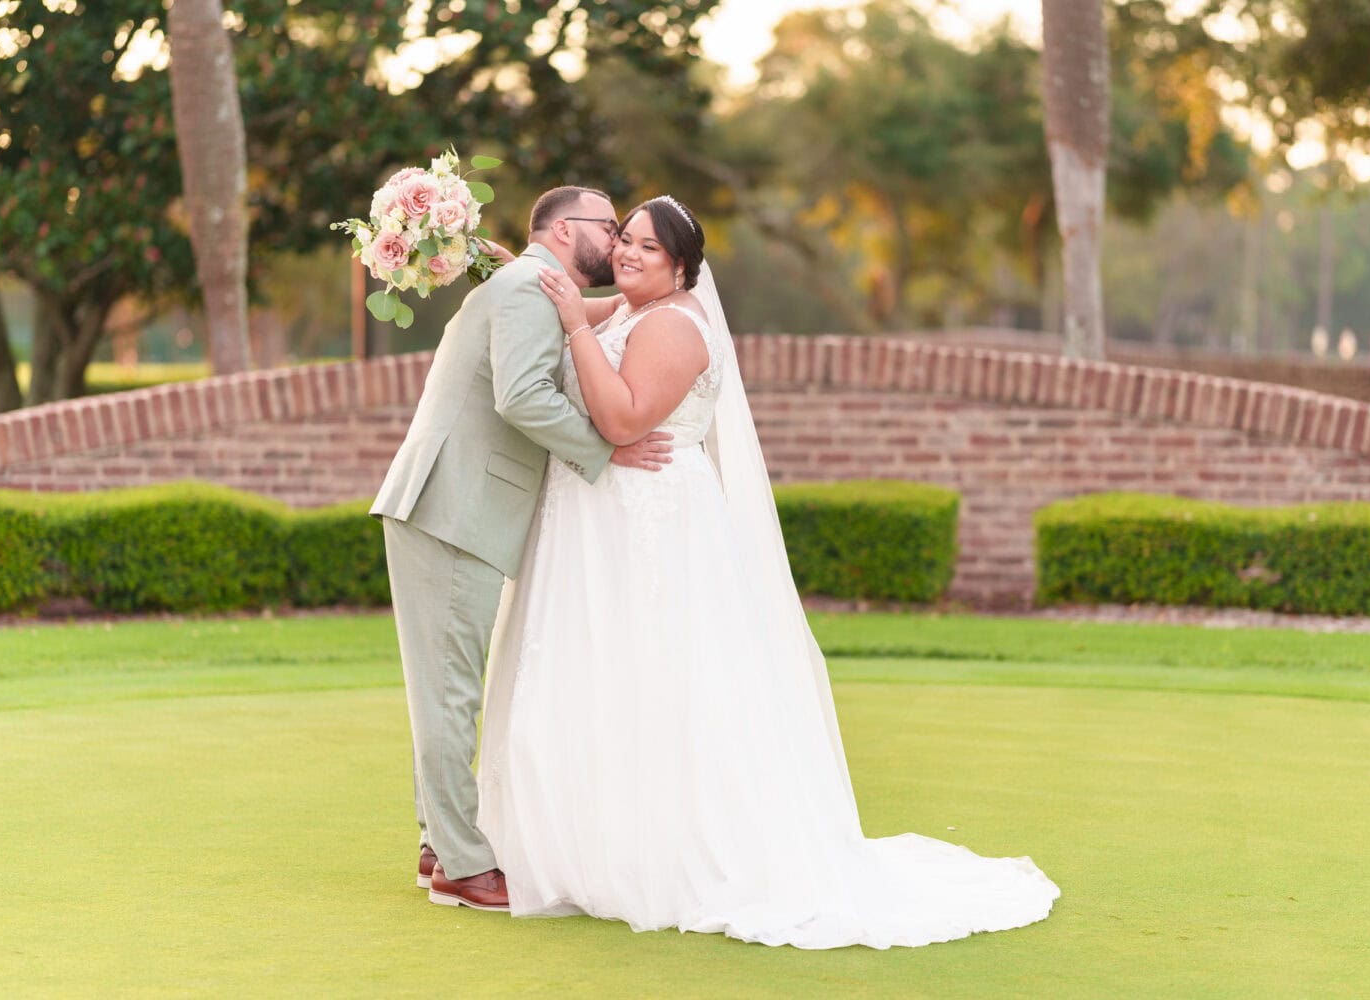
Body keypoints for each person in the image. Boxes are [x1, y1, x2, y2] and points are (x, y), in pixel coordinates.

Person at [475, 195, 1060, 948]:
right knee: (595, 669)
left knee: (658, 676)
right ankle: (578, 844)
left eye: (648, 249)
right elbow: (569, 301)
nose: (627, 253)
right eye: (624, 239)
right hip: (594, 517)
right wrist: (513, 265)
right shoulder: (624, 310)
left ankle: (666, 856)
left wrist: (566, 319)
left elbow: (621, 419)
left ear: (682, 267)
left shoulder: (679, 327)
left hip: (648, 520)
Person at [370, 185, 674, 912]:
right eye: (612, 228)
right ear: (567, 231)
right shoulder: (524, 292)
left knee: (447, 686)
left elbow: (602, 314)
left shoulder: (532, 285)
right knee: (449, 691)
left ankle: (440, 842)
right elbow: (523, 397)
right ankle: (462, 867)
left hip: (455, 507)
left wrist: (652, 297)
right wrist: (607, 447)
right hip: (452, 508)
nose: (622, 241)